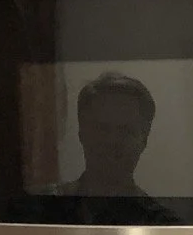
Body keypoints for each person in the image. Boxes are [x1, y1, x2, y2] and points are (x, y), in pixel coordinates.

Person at [37, 71, 178, 224]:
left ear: (144, 140)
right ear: (81, 134)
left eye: (125, 131)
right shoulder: (37, 209)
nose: (112, 141)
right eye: (102, 129)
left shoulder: (164, 224)